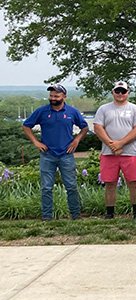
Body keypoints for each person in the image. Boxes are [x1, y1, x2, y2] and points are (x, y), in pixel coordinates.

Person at [22, 84, 88, 221]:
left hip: (66, 154)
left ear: (64, 96)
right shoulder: (42, 111)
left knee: (71, 186)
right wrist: (36, 142)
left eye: (56, 96)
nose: (53, 98)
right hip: (47, 155)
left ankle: (75, 216)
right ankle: (47, 217)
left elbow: (84, 127)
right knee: (46, 188)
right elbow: (26, 126)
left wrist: (76, 141)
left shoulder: (72, 112)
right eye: (51, 96)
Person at [93, 81, 136, 219]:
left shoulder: (135, 109)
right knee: (110, 184)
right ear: (113, 92)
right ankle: (110, 213)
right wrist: (112, 145)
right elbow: (98, 128)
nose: (120, 94)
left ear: (128, 92)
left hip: (131, 153)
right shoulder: (104, 109)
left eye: (123, 91)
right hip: (108, 153)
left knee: (133, 183)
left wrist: (120, 144)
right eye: (118, 91)